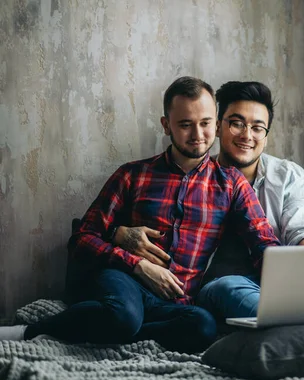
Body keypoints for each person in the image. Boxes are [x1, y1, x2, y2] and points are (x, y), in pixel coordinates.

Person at [0, 77, 280, 352]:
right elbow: (82, 238)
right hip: (125, 280)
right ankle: (30, 331)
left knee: (203, 327)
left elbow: (262, 241)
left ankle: (117, 327)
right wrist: (137, 265)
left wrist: (289, 282)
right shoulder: (134, 174)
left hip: (176, 301)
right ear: (166, 125)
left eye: (205, 123)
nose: (197, 134)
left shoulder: (231, 184)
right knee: (123, 313)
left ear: (217, 124)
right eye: (185, 124)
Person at [111, 81, 304, 324]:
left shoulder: (287, 176)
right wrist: (118, 233)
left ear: (266, 137)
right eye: (237, 123)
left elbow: (302, 231)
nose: (247, 135)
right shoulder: (192, 178)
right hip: (230, 285)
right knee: (228, 290)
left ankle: (300, 320)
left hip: (285, 280)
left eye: (257, 127)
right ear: (218, 126)